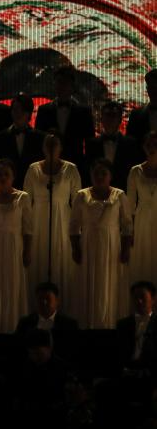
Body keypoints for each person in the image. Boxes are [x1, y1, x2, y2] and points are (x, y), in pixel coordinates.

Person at [69, 159, 132, 329]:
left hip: (112, 247)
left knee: (108, 284)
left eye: (103, 173)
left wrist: (126, 249)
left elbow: (127, 226)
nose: (99, 176)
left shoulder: (119, 195)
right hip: (89, 245)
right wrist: (75, 248)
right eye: (96, 173)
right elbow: (74, 225)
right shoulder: (82, 195)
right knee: (90, 283)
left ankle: (109, 323)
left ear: (110, 176)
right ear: (90, 174)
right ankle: (88, 324)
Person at [0, 159, 33, 333]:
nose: (3, 177)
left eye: (6, 174)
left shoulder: (23, 197)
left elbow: (28, 229)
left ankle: (12, 326)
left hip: (14, 246)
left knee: (12, 284)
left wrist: (27, 251)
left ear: (13, 176)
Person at [23, 133, 81, 295]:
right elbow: (26, 202)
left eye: (54, 144)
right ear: (43, 147)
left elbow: (78, 203)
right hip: (38, 220)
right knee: (39, 257)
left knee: (60, 258)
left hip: (62, 220)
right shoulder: (33, 169)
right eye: (47, 144)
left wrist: (77, 232)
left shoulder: (71, 169)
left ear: (60, 147)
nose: (51, 148)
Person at [34, 65, 95, 169]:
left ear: (72, 86)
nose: (62, 86)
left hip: (76, 164)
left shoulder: (84, 112)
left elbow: (90, 143)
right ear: (54, 85)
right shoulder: (44, 110)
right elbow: (39, 140)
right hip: (50, 165)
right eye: (59, 82)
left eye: (65, 83)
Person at [0, 92, 44, 189]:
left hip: (33, 189)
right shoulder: (0, 138)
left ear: (29, 113)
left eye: (22, 110)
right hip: (6, 190)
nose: (18, 113)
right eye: (16, 109)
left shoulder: (40, 138)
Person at [86, 101, 142, 192]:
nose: (110, 119)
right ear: (101, 119)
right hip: (97, 194)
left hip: (124, 193)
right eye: (107, 115)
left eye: (114, 115)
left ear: (120, 120)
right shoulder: (91, 144)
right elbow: (87, 172)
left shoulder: (131, 144)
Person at [126, 130, 157, 290]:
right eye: (148, 145)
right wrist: (129, 231)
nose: (152, 148)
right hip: (142, 221)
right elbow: (130, 205)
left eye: (155, 144)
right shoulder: (135, 171)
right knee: (143, 261)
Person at [116, 281, 157, 373]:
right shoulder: (123, 324)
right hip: (126, 372)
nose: (139, 301)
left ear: (153, 299)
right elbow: (118, 353)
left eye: (142, 297)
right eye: (135, 297)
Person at [15, 283, 80, 335]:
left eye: (48, 298)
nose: (44, 302)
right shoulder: (24, 323)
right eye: (40, 298)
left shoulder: (69, 325)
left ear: (57, 301)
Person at [127, 69, 157, 143]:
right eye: (152, 87)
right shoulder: (135, 115)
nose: (154, 91)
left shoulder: (137, 114)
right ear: (147, 89)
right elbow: (130, 143)